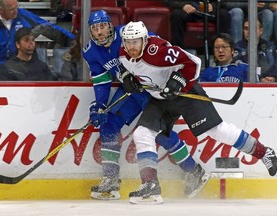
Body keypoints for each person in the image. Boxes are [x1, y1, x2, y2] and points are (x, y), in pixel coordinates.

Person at [118, 21, 277, 204]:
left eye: (135, 42)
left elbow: (194, 62)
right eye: (128, 42)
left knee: (216, 130)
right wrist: (126, 77)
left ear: (144, 40)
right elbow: (127, 68)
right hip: (160, 98)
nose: (131, 46)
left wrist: (178, 81)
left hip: (186, 92)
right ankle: (150, 186)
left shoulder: (158, 50)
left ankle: (264, 152)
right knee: (142, 132)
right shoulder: (123, 53)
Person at [82, 10, 209, 201]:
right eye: (95, 28)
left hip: (152, 89)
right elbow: (101, 81)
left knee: (158, 131)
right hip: (130, 92)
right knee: (108, 123)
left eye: (103, 26)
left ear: (111, 26)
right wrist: (99, 105)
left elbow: (157, 47)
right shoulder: (90, 51)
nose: (99, 31)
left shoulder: (129, 32)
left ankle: (194, 170)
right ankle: (111, 180)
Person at [0, 0, 75, 76]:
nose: (16, 11)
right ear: (1, 9)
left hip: (24, 68)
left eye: (17, 7)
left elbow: (47, 26)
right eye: (12, 9)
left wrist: (72, 39)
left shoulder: (23, 15)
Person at [163, 0, 231, 49]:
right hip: (189, 8)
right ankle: (178, 51)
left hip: (209, 9)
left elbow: (223, 2)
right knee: (176, 15)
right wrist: (183, 5)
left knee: (224, 15)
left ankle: (222, 49)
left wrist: (213, 5)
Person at [234, 17, 277, 82]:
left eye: (253, 28)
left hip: (271, 86)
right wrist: (259, 79)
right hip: (246, 88)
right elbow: (236, 72)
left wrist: (274, 78)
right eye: (246, 29)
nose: (249, 32)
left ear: (261, 30)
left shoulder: (270, 47)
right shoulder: (238, 48)